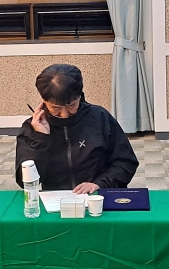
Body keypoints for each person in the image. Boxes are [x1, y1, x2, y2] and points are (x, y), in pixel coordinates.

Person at [14, 64, 138, 193]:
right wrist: (41, 139)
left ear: (80, 96)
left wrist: (99, 184)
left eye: (71, 105)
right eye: (56, 108)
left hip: (98, 195)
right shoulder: (31, 128)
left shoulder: (100, 117)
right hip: (56, 199)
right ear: (43, 100)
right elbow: (24, 181)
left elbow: (126, 162)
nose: (64, 114)